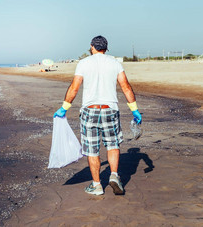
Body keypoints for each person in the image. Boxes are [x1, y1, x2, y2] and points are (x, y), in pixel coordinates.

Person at [53, 35, 142, 196]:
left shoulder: (84, 63)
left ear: (92, 46)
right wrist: (134, 109)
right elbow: (126, 87)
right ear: (106, 48)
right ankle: (114, 175)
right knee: (113, 144)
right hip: (110, 109)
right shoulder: (115, 63)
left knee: (92, 149)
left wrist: (64, 108)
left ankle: (97, 185)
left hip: (90, 111)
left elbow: (74, 87)